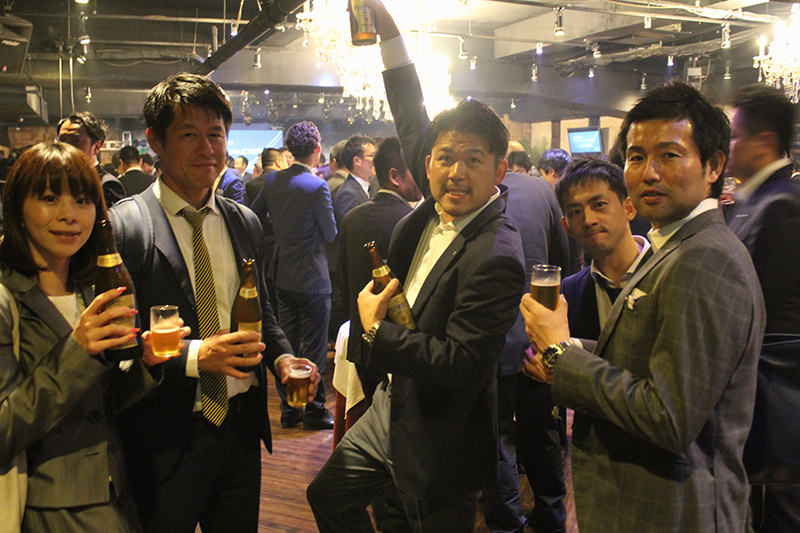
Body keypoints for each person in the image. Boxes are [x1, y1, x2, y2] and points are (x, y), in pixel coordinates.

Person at [306, 2, 525, 530]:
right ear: (426, 163)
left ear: (499, 170)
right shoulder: (432, 207)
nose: (456, 171)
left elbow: (463, 364)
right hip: (392, 403)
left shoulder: (496, 252)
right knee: (328, 497)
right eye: (445, 157)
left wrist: (374, 331)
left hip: (440, 435)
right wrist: (389, 31)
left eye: (473, 160)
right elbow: (409, 107)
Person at [520, 81, 765, 533]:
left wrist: (561, 354)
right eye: (636, 157)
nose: (649, 172)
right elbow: (652, 361)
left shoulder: (706, 258)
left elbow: (668, 417)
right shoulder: (675, 246)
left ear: (713, 166)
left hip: (674, 511)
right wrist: (573, 347)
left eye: (669, 155)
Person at [108, 73, 320, 533]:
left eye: (216, 134)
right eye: (189, 135)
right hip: (165, 437)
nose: (207, 148)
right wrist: (195, 356)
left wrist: (283, 359)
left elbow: (262, 312)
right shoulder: (126, 227)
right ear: (155, 142)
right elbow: (117, 345)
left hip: (240, 432)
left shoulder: (243, 221)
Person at [0, 142, 162, 532]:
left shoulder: (90, 289)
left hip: (116, 493)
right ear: (18, 208)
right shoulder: (7, 297)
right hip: (46, 506)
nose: (69, 215)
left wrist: (146, 363)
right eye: (49, 198)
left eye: (83, 200)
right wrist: (77, 350)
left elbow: (99, 404)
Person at [725, 84, 800, 532]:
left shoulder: (782, 206)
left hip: (775, 400)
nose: (728, 146)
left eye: (735, 136)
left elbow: (762, 315)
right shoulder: (755, 201)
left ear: (765, 142)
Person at [484, 164, 569, 533]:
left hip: (493, 332)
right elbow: (564, 259)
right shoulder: (542, 190)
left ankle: (507, 524)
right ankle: (552, 515)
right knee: (542, 429)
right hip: (539, 330)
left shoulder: (477, 192)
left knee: (499, 434)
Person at [250, 121, 337, 431]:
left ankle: (289, 409)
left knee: (286, 343)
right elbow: (330, 232)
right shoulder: (317, 185)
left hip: (282, 274)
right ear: (317, 149)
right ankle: (313, 409)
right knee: (314, 347)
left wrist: (279, 233)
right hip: (313, 277)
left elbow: (253, 215)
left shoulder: (273, 180)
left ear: (289, 150)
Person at [339, 136, 422, 410]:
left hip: (359, 344)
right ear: (395, 176)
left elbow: (344, 279)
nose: (423, 179)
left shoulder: (352, 217)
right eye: (416, 172)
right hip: (394, 344)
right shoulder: (411, 221)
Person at [57, 112, 126, 206]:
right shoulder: (56, 180)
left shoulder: (107, 185)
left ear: (96, 147)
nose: (67, 147)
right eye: (63, 140)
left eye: (76, 141)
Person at [333, 135, 377, 227]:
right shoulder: (348, 193)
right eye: (372, 155)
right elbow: (350, 230)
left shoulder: (366, 186)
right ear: (357, 161)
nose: (376, 159)